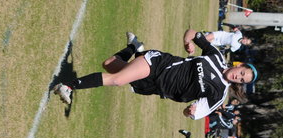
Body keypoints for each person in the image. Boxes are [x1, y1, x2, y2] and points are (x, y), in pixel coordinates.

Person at [52, 31, 257, 120]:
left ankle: (134, 47)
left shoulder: (219, 94)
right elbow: (193, 32)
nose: (238, 77)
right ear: (240, 65)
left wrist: (190, 111)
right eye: (241, 73)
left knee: (109, 65)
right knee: (117, 80)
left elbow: (191, 113)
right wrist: (188, 41)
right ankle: (68, 86)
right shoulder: (216, 56)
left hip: (156, 87)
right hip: (160, 64)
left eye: (242, 80)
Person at [184, 28, 252, 54]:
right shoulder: (239, 34)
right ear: (245, 38)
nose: (245, 42)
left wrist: (221, 52)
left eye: (246, 43)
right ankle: (190, 39)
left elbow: (228, 51)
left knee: (203, 42)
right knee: (204, 39)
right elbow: (234, 27)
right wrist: (224, 23)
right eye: (246, 40)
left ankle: (191, 42)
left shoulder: (237, 46)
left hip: (218, 42)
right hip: (220, 35)